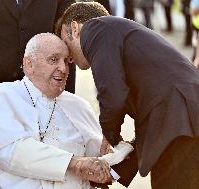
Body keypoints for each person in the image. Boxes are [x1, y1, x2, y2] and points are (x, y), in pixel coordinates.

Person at [0, 33, 133, 189]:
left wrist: (123, 149)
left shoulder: (79, 106)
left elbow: (104, 156)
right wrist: (73, 163)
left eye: (67, 61)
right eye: (53, 59)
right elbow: (11, 154)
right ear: (28, 64)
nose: (63, 68)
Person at [57, 2, 199, 189]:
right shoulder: (124, 41)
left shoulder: (95, 27)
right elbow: (151, 124)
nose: (69, 59)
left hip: (183, 121)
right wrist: (114, 171)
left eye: (66, 46)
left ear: (75, 28)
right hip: (184, 119)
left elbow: (112, 95)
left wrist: (108, 139)